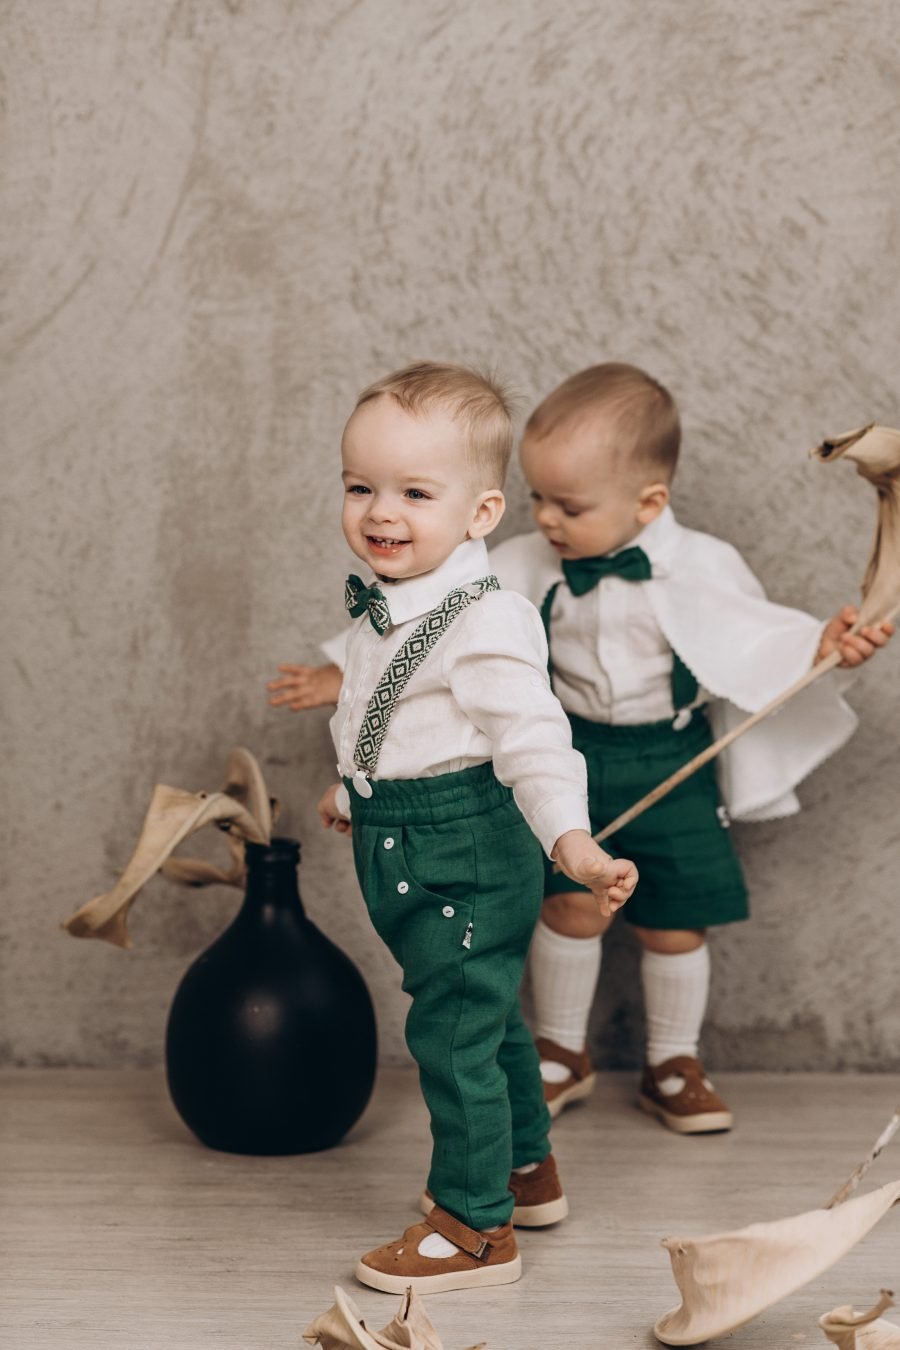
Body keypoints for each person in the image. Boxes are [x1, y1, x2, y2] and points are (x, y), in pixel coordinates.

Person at [272, 362, 892, 1140]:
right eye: (537, 499)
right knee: (566, 907)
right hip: (569, 752)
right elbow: (422, 628)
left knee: (675, 920)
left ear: (649, 503)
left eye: (570, 505)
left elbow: (752, 633)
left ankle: (675, 1061)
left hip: (671, 758)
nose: (549, 521)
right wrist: (342, 676)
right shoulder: (527, 561)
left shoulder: (698, 564)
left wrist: (823, 644)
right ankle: (562, 1048)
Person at [309, 362, 637, 1296]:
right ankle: (526, 1172)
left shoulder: (485, 619)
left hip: (461, 850)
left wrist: (569, 840)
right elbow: (385, 711)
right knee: (483, 1021)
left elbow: (530, 737)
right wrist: (354, 787)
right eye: (360, 486)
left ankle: (475, 1224)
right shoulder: (391, 599)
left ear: (483, 512)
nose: (381, 511)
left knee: (451, 1036)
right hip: (403, 832)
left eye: (415, 491)